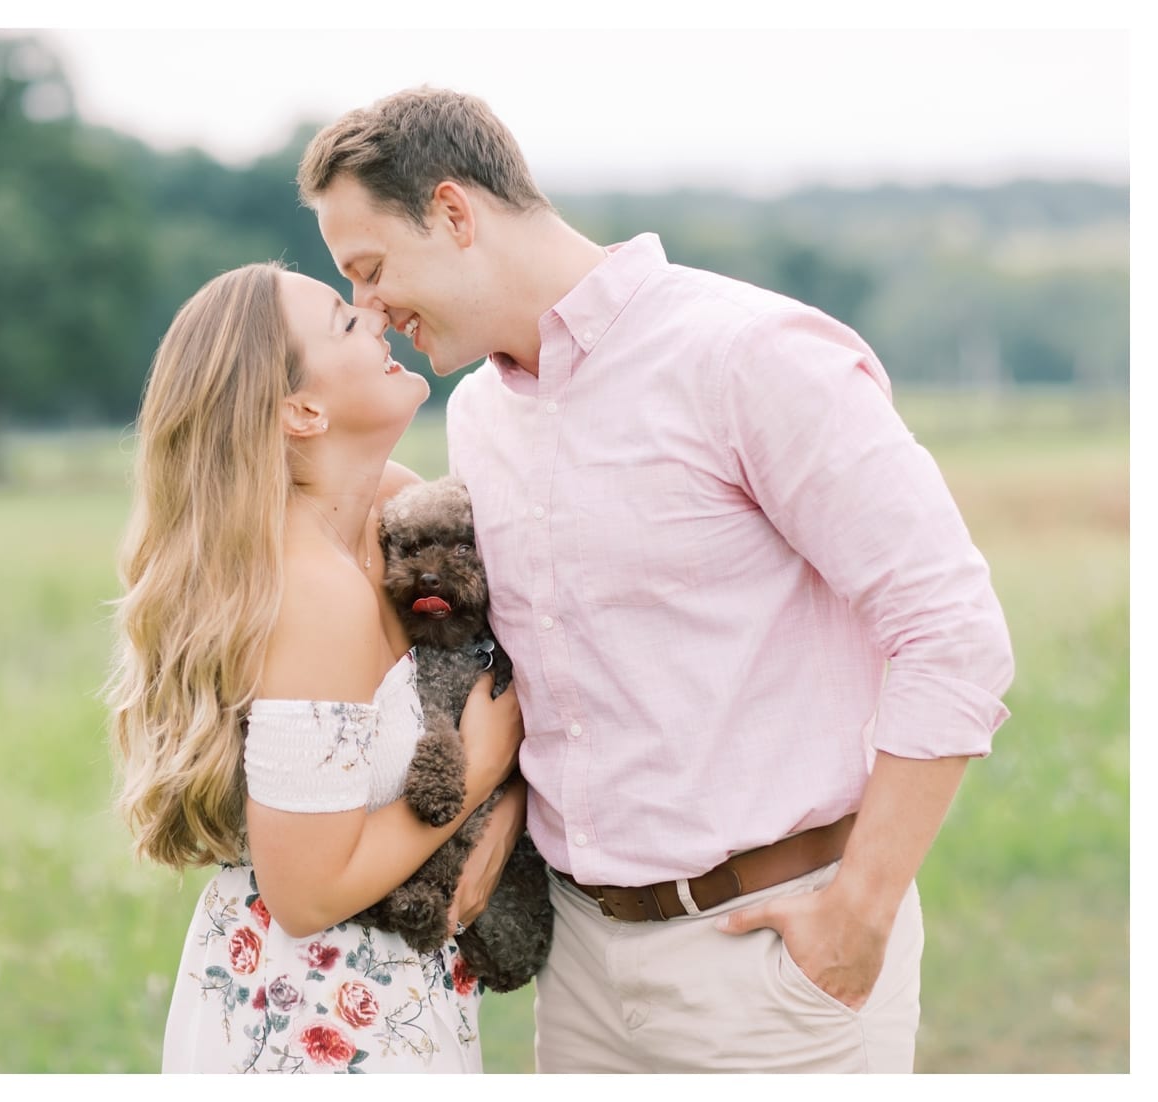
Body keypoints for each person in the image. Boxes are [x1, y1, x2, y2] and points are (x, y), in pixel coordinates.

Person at [297, 87, 1016, 1074]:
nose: (368, 314)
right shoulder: (479, 418)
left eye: (370, 272)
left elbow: (951, 629)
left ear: (456, 213)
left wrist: (863, 907)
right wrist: (503, 810)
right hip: (582, 969)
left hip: (771, 961)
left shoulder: (747, 356)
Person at [105, 261, 525, 1073]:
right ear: (301, 409)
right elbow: (306, 896)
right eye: (343, 321)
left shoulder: (396, 514)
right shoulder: (311, 590)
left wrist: (503, 814)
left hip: (398, 994)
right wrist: (481, 766)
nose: (376, 315)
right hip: (312, 1021)